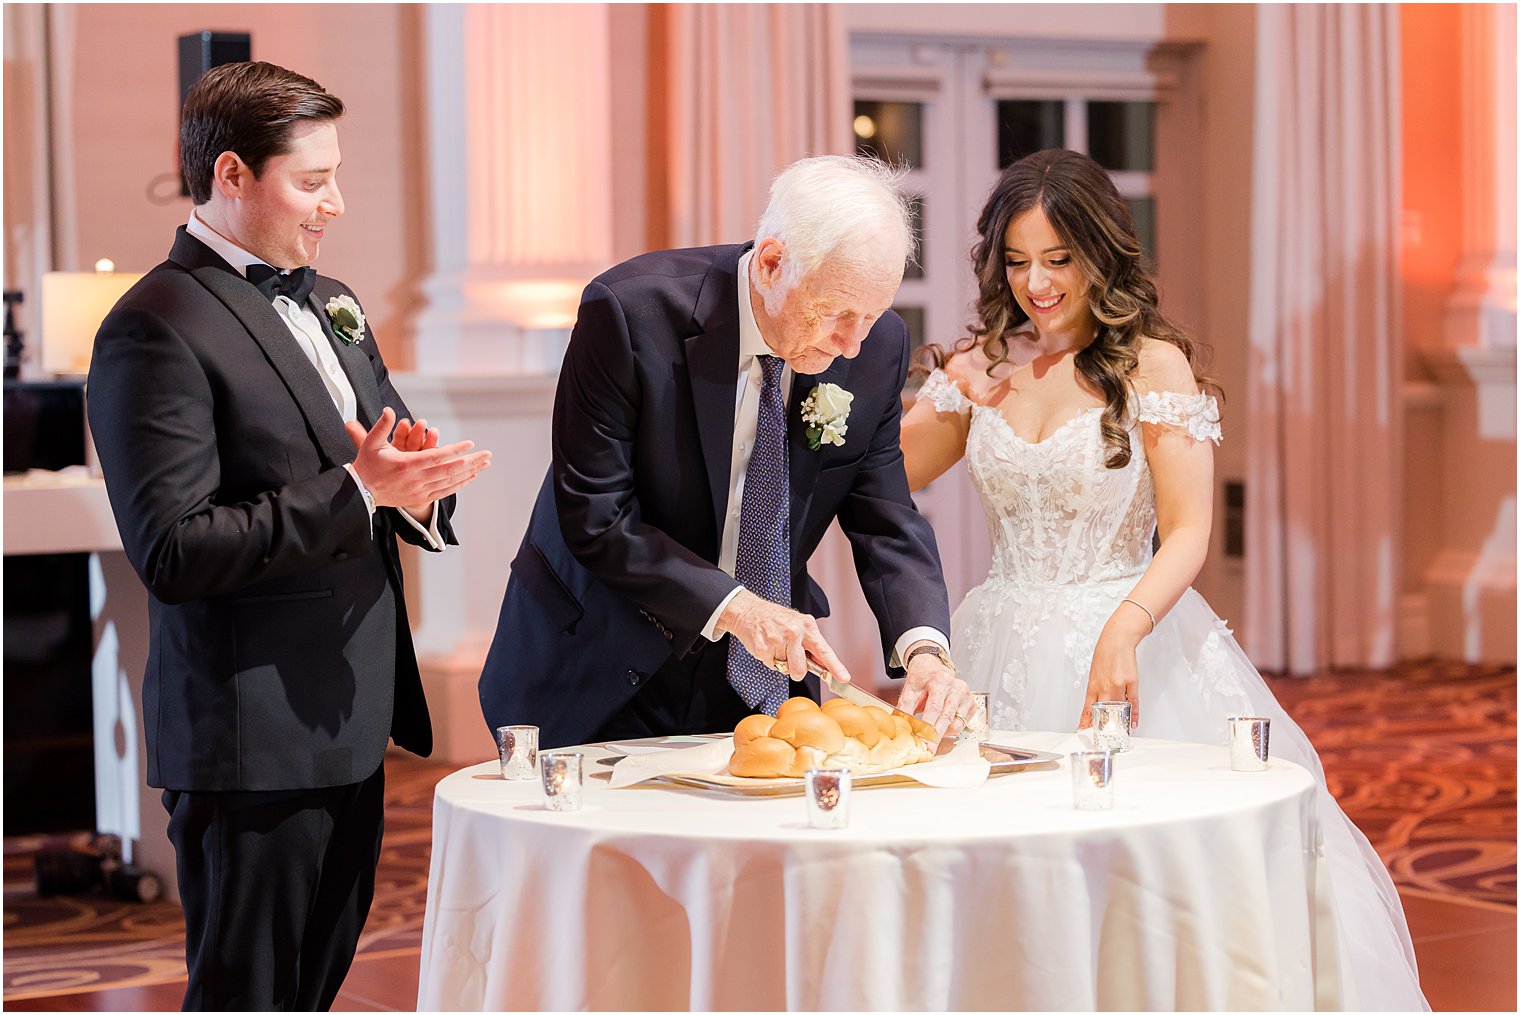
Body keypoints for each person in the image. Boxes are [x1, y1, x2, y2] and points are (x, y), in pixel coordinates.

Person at [900, 148, 1426, 1010]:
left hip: (1131, 639)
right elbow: (883, 477)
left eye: (1058, 259)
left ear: (1100, 252)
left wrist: (1126, 623)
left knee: (1138, 877)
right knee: (1003, 868)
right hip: (993, 643)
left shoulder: (1152, 365)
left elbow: (1188, 532)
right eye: (1019, 260)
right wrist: (927, 381)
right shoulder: (985, 370)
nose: (1036, 282)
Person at [87, 61, 490, 1010]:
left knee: (313, 987)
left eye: (335, 176)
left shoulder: (332, 300)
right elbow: (175, 550)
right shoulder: (154, 325)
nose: (336, 203)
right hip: (249, 736)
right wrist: (359, 490)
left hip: (346, 723)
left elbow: (377, 457)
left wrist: (417, 488)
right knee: (247, 995)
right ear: (232, 175)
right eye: (312, 181)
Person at [479, 155, 972, 750]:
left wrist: (924, 649)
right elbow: (596, 516)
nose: (853, 343)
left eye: (872, 314)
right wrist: (737, 608)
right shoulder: (630, 313)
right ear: (770, 264)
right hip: (599, 650)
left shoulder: (875, 346)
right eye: (839, 313)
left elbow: (887, 518)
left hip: (759, 680)